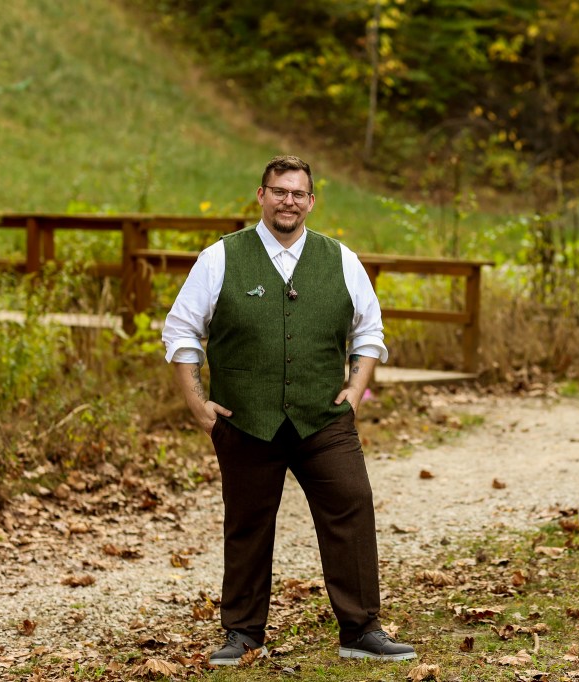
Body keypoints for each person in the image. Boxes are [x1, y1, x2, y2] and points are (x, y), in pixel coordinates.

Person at [161, 155, 416, 664]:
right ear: (261, 196)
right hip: (244, 420)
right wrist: (197, 404)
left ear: (311, 202)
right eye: (279, 191)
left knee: (352, 505)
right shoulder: (220, 257)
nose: (288, 201)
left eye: (298, 194)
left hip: (323, 419)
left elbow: (369, 330)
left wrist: (355, 388)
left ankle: (361, 630)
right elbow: (182, 330)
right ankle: (243, 634)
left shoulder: (341, 259)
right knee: (248, 523)